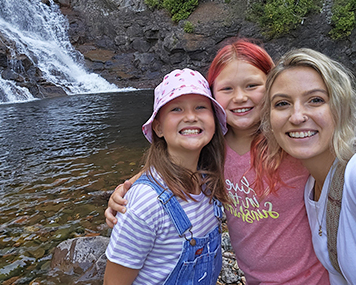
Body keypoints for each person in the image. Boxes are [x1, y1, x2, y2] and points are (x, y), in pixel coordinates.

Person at [105, 39, 329, 284]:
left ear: (273, 88)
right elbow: (170, 166)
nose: (240, 97)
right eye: (227, 89)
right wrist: (128, 189)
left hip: (313, 277)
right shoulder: (213, 150)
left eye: (252, 85)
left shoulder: (291, 141)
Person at [103, 68, 229, 285]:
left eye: (200, 107)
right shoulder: (145, 203)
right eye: (176, 109)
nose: (191, 117)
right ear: (158, 128)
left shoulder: (211, 181)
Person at [260, 47, 356, 284]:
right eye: (282, 103)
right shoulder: (312, 187)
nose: (297, 116)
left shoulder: (353, 174)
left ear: (341, 107)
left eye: (315, 100)